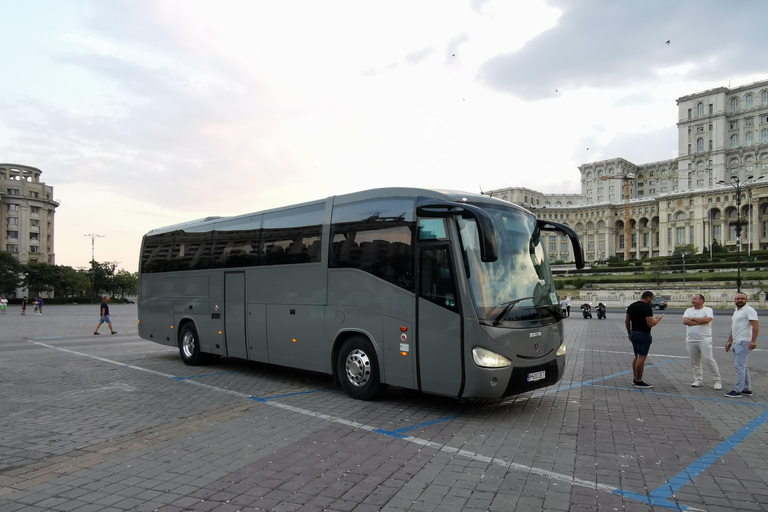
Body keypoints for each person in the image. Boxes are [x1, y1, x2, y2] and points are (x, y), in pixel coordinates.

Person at [625, 291, 664, 389]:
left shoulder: (632, 306)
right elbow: (650, 323)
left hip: (634, 333)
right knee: (641, 358)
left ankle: (635, 379)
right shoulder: (647, 308)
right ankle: (639, 381)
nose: (652, 301)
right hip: (644, 334)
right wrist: (658, 319)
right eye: (652, 299)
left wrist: (629, 332)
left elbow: (627, 321)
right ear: (648, 298)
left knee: (636, 357)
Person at [724, 292, 760, 398]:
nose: (740, 300)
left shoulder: (749, 310)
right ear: (734, 300)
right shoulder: (737, 311)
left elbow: (756, 326)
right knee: (744, 366)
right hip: (737, 341)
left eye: (742, 298)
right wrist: (730, 340)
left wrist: (753, 341)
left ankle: (738, 390)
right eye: (738, 298)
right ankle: (746, 388)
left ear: (746, 300)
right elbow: (734, 327)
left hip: (744, 341)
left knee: (740, 366)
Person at [683, 294, 721, 390]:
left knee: (709, 359)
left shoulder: (708, 310)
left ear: (702, 301)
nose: (693, 300)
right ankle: (698, 380)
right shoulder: (688, 310)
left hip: (704, 339)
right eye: (692, 299)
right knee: (694, 361)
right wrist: (700, 320)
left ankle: (717, 380)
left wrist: (693, 319)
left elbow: (708, 320)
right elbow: (685, 321)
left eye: (695, 299)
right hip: (691, 339)